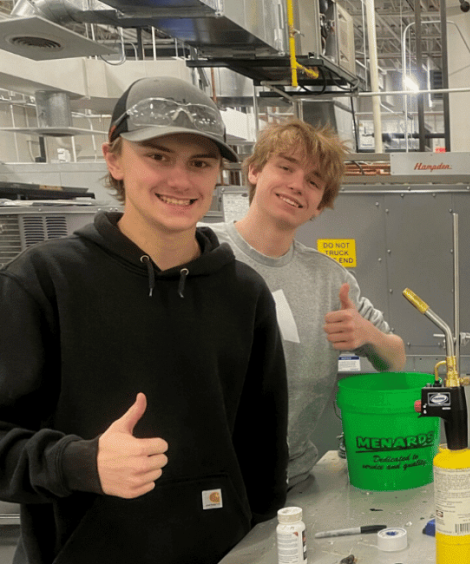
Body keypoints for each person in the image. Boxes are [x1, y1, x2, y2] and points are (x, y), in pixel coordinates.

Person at [0, 76, 288, 564]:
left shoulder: (243, 293)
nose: (181, 180)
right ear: (114, 158)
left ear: (219, 173)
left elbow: (262, 450)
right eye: (157, 156)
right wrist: (79, 463)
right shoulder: (43, 282)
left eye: (200, 163)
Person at [205, 118, 406, 486]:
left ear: (318, 207)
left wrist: (368, 335)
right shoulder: (200, 251)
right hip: (205, 485)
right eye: (285, 167)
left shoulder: (330, 279)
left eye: (314, 182)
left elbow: (394, 360)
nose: (297, 185)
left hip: (288, 482)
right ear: (254, 171)